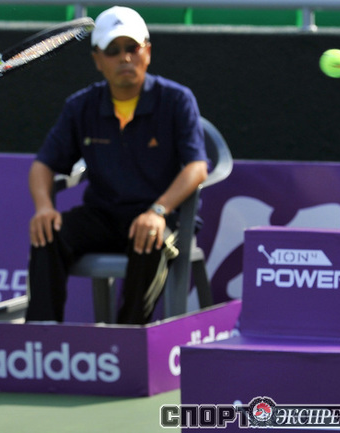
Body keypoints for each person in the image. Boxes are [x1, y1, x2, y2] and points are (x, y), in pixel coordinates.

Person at [25, 6, 208, 325]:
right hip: (103, 214)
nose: (124, 57)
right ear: (97, 59)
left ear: (147, 52)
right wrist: (43, 207)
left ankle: (127, 339)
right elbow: (43, 165)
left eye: (132, 48)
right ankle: (40, 337)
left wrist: (158, 211)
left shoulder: (177, 99)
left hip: (163, 216)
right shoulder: (80, 106)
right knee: (48, 234)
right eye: (112, 50)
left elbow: (197, 166)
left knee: (150, 237)